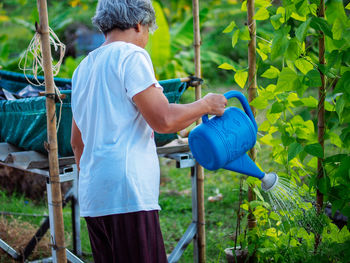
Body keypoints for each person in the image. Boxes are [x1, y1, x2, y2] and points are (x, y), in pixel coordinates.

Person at [70, 0, 227, 262]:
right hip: (128, 193)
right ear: (138, 24)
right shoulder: (131, 55)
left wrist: (98, 181)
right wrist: (205, 104)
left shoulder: (82, 68)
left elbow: (77, 143)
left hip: (94, 196)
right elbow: (164, 120)